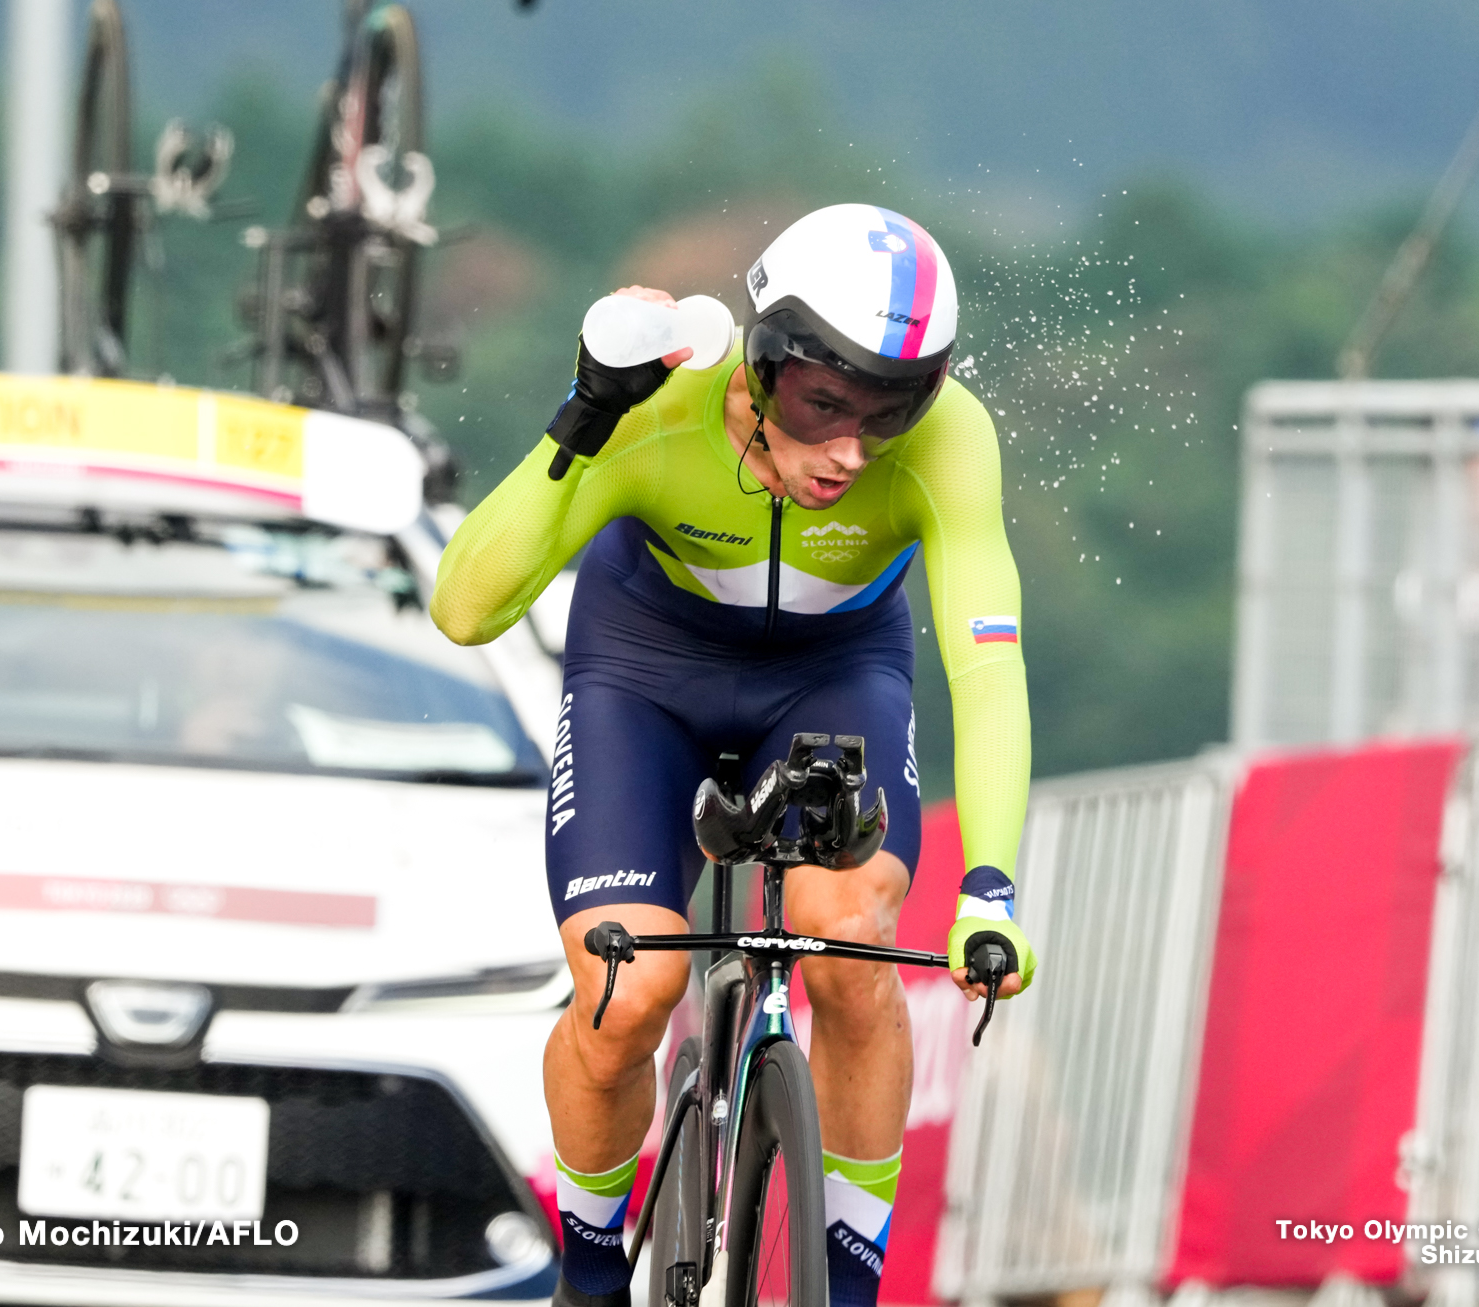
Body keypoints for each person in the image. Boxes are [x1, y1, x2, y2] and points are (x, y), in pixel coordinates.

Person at [431, 203, 1034, 1307]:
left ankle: (845, 1286)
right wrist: (586, 415)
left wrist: (989, 889)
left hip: (833, 674)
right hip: (644, 672)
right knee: (631, 987)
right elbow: (464, 608)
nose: (853, 449)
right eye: (825, 405)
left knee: (851, 940)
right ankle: (588, 1268)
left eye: (891, 412)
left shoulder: (953, 443)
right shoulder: (655, 410)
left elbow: (987, 667)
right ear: (761, 361)